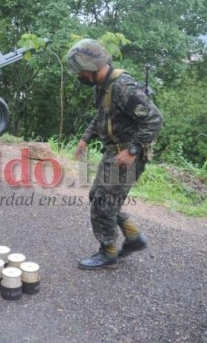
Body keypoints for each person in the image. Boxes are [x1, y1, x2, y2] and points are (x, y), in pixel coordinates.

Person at [66, 39, 163, 270]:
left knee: (104, 204)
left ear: (92, 67)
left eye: (81, 72)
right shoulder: (104, 86)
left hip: (126, 158)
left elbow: (154, 119)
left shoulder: (122, 86)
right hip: (113, 154)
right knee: (98, 198)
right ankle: (133, 237)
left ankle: (108, 253)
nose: (80, 77)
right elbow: (101, 116)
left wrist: (133, 151)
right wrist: (85, 138)